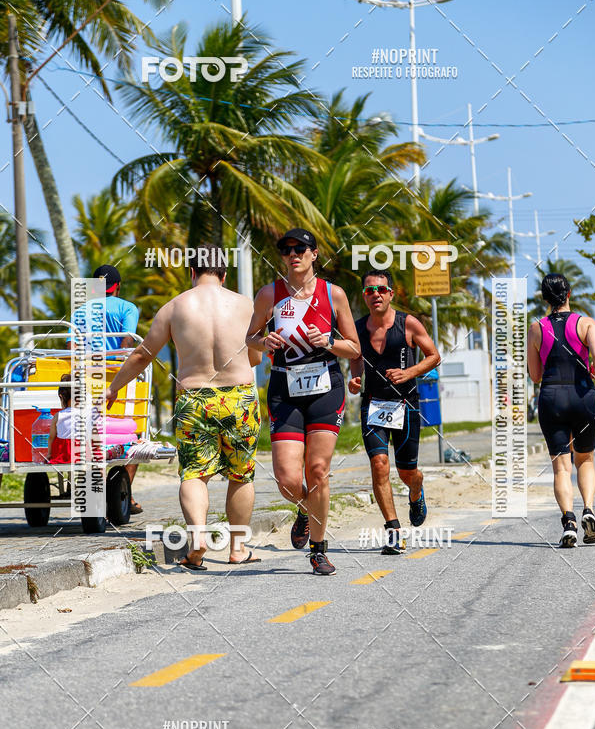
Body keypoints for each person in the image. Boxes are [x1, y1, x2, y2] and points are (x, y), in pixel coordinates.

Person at [106, 248, 262, 568]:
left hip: (195, 398)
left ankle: (198, 537)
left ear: (191, 272)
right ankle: (237, 549)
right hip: (240, 399)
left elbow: (142, 355)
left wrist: (113, 387)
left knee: (194, 474)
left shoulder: (174, 307)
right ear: (224, 274)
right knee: (241, 475)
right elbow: (257, 356)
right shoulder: (246, 305)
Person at [246, 227, 360, 575]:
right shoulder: (270, 294)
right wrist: (264, 342)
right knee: (287, 478)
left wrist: (327, 340)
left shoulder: (333, 294)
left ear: (314, 254)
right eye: (286, 249)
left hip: (326, 386)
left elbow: (354, 348)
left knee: (318, 470)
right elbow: (249, 337)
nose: (292, 254)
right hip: (284, 388)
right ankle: (304, 509)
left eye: (300, 248)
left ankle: (319, 550)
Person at [349, 270, 440, 554]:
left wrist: (409, 372)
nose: (375, 294)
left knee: (406, 471)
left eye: (380, 289)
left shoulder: (408, 323)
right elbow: (355, 360)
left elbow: (434, 356)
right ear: (365, 297)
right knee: (379, 465)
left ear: (390, 293)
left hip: (406, 404)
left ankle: (416, 490)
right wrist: (354, 379)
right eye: (369, 291)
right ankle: (393, 531)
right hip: (373, 404)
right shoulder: (358, 328)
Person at [527, 273, 595, 547]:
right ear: (569, 293)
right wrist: (593, 371)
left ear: (545, 299)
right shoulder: (586, 323)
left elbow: (535, 375)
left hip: (552, 397)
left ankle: (568, 521)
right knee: (586, 460)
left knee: (561, 467)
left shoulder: (536, 328)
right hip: (583, 396)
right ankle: (589, 511)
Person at [69, 264, 143, 512]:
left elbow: (72, 349)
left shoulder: (80, 310)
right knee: (133, 437)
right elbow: (127, 342)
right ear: (118, 287)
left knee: (88, 432)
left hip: (83, 380)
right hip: (113, 379)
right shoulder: (127, 308)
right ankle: (124, 497)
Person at [48, 373, 73, 464]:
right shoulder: (86, 414)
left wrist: (49, 454)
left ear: (61, 397)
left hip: (63, 454)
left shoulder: (58, 415)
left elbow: (51, 437)